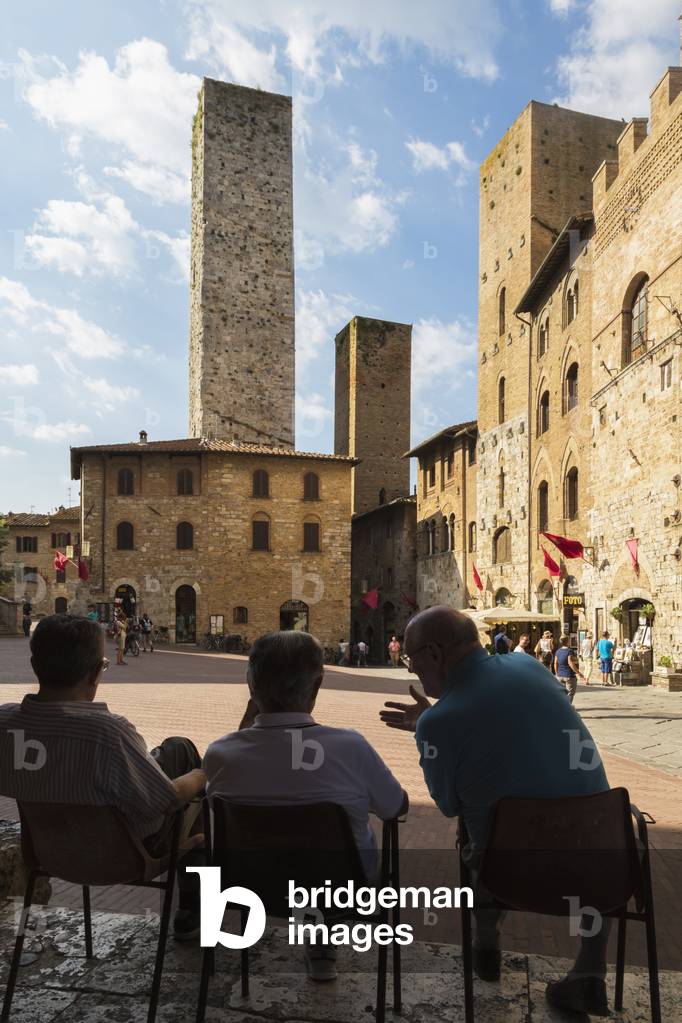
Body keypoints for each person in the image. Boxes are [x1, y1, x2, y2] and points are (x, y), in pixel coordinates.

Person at [380, 606, 611, 1018]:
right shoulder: (531, 666)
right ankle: (590, 969)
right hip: (604, 863)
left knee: (475, 832)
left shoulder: (439, 720)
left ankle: (485, 938)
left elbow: (448, 805)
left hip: (513, 874)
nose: (412, 669)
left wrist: (429, 727)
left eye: (410, 659)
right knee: (580, 825)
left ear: (433, 653)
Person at [204, 630, 408, 981]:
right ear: (316, 687)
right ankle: (321, 942)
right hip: (344, 888)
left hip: (248, 886)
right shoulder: (351, 747)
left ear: (251, 687)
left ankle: (318, 942)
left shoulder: (221, 753)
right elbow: (396, 808)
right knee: (320, 862)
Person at [0, 614, 206, 940]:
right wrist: (201, 773)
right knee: (188, 769)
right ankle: (193, 907)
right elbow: (167, 800)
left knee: (169, 752)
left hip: (48, 852)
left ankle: (158, 760)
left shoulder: (5, 724)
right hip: (127, 854)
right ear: (96, 672)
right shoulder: (107, 732)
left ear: (35, 665)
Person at [553, 635, 584, 703]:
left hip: (560, 675)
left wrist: (556, 673)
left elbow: (555, 663)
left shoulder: (558, 651)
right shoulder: (569, 651)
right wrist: (578, 673)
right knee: (570, 693)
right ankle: (567, 708)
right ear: (568, 641)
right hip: (569, 675)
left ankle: (561, 706)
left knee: (562, 693)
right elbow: (570, 663)